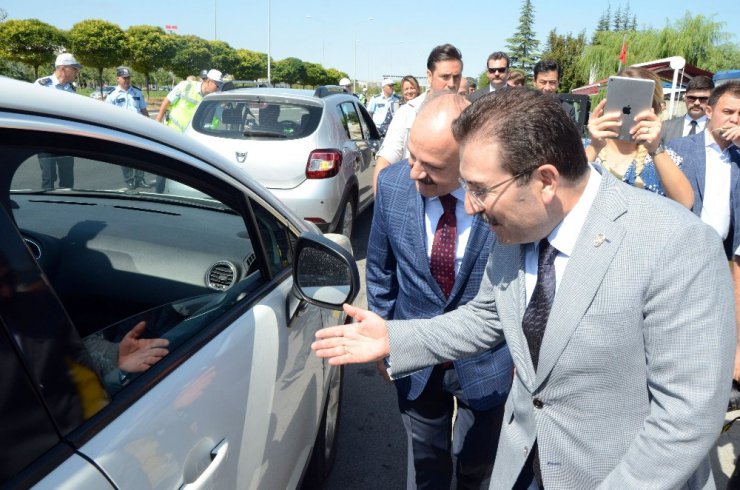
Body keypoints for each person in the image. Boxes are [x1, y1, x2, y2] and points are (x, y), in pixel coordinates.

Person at [312, 87, 735, 489]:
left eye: (480, 190)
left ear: (546, 181)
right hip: (520, 468)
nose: (471, 206)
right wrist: (394, 336)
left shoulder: (676, 244)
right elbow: (485, 319)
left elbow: (686, 416)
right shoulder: (514, 233)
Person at [368, 92, 512, 489]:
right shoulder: (393, 186)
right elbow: (380, 271)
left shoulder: (503, 196)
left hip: (486, 363)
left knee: (477, 466)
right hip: (415, 363)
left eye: (431, 166)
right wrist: (385, 335)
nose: (414, 172)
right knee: (425, 470)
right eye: (412, 156)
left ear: (467, 161)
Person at [667, 81, 740, 372]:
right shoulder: (679, 148)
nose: (734, 119)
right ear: (709, 111)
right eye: (728, 111)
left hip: (722, 261)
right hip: (679, 258)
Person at [585, 66, 694, 208]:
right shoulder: (583, 148)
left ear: (655, 110)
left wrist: (655, 148)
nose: (627, 112)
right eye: (621, 102)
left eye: (637, 105)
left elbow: (685, 203)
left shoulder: (662, 157)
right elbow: (563, 192)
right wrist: (594, 147)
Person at [373, 43, 464, 193]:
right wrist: (381, 209)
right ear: (429, 75)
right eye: (445, 77)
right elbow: (385, 160)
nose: (452, 84)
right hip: (413, 199)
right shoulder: (407, 112)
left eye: (457, 77)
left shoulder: (468, 113)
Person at [35, 52, 81, 190]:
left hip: (66, 138)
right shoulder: (41, 85)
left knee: (67, 178)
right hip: (45, 137)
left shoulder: (71, 88)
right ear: (63, 68)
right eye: (74, 68)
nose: (77, 72)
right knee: (48, 177)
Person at [106, 67, 152, 189]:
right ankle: (129, 180)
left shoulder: (136, 92)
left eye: (128, 77)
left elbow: (143, 109)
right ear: (118, 79)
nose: (127, 80)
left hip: (138, 129)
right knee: (126, 156)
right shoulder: (112, 95)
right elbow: (107, 115)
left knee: (141, 155)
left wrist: (150, 126)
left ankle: (140, 179)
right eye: (124, 78)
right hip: (122, 131)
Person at [155, 69, 223, 132]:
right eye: (217, 86)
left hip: (190, 138)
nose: (219, 89)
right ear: (209, 82)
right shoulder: (186, 86)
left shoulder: (212, 99)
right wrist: (158, 119)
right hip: (172, 131)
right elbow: (168, 100)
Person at [660, 75, 715, 146]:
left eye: (703, 99)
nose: (696, 103)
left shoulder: (718, 130)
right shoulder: (665, 127)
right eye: (692, 98)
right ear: (685, 97)